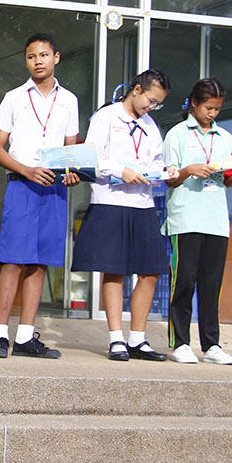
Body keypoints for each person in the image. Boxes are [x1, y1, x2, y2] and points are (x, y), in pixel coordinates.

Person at [0, 33, 80, 359]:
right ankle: (0, 335)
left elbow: (71, 151)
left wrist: (71, 172)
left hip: (53, 188)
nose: (38, 61)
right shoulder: (14, 97)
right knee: (13, 260)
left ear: (56, 57)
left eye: (43, 54)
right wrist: (26, 170)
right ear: (25, 61)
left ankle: (25, 336)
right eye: (31, 56)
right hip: (22, 185)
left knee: (40, 262)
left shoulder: (69, 100)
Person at [71, 69, 176, 361]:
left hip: (142, 204)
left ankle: (138, 339)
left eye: (158, 104)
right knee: (114, 269)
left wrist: (163, 172)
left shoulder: (150, 126)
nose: (152, 107)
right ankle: (116, 338)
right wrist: (121, 171)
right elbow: (92, 157)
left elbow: (156, 161)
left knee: (150, 271)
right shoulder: (106, 116)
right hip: (111, 200)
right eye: (151, 100)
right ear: (137, 89)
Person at [163, 78, 232, 365]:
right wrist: (189, 170)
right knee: (184, 281)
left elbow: (225, 179)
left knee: (211, 284)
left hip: (215, 219)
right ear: (194, 103)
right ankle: (180, 342)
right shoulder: (177, 134)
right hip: (186, 217)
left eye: (217, 108)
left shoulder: (225, 137)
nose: (212, 113)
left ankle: (211, 345)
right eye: (208, 108)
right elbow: (169, 178)